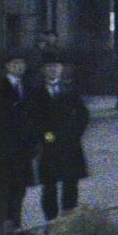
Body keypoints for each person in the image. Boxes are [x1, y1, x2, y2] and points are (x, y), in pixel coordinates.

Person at [31, 53, 89, 223]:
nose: (53, 70)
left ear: (61, 69)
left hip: (70, 144)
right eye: (49, 67)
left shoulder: (69, 89)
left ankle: (68, 217)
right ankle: (52, 221)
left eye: (56, 67)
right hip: (50, 146)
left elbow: (83, 114)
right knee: (50, 184)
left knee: (71, 182)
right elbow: (34, 119)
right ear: (44, 70)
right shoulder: (36, 92)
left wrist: (75, 133)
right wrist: (46, 136)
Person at [0, 53, 39, 233]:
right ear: (7, 66)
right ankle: (7, 224)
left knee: (20, 187)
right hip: (6, 146)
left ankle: (17, 223)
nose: (19, 66)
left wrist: (35, 141)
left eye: (22, 63)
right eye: (15, 63)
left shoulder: (28, 87)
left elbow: (34, 116)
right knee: (7, 186)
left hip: (24, 147)